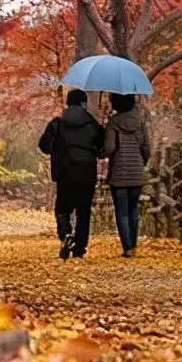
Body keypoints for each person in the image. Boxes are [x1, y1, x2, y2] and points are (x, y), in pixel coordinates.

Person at [38, 89, 105, 259]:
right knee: (84, 210)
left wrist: (58, 150)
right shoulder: (92, 124)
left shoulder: (57, 123)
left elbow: (43, 145)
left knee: (63, 207)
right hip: (87, 170)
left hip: (65, 170)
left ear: (67, 104)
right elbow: (102, 142)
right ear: (83, 104)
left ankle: (65, 235)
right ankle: (80, 247)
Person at [102, 93, 150, 258]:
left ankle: (127, 247)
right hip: (136, 173)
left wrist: (98, 151)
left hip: (119, 173)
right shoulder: (140, 123)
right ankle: (134, 246)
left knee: (122, 211)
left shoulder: (113, 122)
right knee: (133, 210)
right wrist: (140, 163)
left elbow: (109, 148)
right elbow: (146, 149)